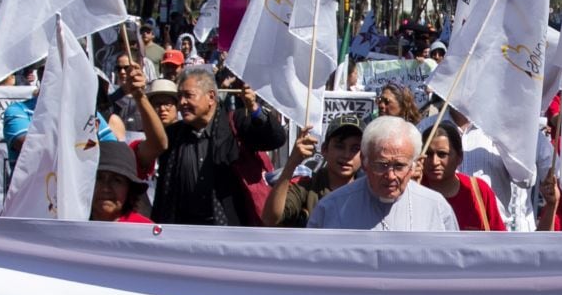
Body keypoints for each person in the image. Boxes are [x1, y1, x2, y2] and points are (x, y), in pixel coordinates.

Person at [148, 66, 287, 226]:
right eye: (179, 97)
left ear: (211, 97)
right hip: (182, 233)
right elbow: (163, 193)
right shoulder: (173, 135)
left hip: (229, 231)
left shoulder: (235, 124)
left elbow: (275, 139)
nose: (182, 102)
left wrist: (254, 109)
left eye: (188, 96)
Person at [307, 115, 459, 230]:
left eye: (399, 166)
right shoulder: (331, 208)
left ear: (414, 166)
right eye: (381, 165)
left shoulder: (437, 208)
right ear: (364, 161)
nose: (391, 176)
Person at [267, 122, 362, 227]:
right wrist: (291, 164)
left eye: (355, 149)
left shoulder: (371, 192)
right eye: (339, 146)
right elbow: (270, 219)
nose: (346, 155)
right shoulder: (307, 187)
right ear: (325, 149)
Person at [420, 121, 508, 231]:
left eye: (442, 154)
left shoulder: (479, 190)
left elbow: (499, 239)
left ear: (459, 157)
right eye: (428, 154)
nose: (434, 162)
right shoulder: (412, 190)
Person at [90, 140, 150, 224]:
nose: (106, 188)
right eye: (99, 178)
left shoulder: (145, 231)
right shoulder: (70, 225)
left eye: (116, 180)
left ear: (130, 189)